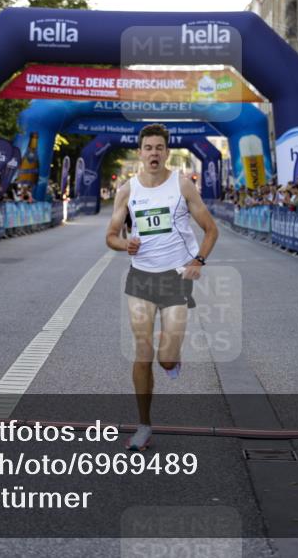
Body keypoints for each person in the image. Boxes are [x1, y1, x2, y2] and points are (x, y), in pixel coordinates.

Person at [105, 123, 218, 452]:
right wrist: (123, 245)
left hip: (174, 279)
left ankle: (172, 358)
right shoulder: (127, 190)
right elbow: (111, 235)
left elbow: (211, 230)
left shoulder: (182, 185)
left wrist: (197, 261)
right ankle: (144, 425)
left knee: (165, 361)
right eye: (148, 148)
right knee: (142, 355)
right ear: (139, 153)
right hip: (140, 278)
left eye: (159, 148)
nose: (154, 153)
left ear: (166, 152)